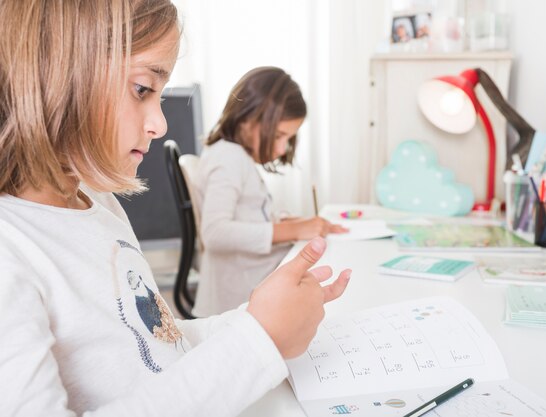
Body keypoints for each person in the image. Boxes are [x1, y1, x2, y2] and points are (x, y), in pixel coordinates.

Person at [0, 1, 351, 416]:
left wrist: (256, 321)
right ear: (52, 74)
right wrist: (259, 338)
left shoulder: (100, 205)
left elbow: (154, 344)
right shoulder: (12, 253)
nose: (161, 123)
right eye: (142, 89)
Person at [191, 66, 348, 316]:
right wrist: (293, 230)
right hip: (236, 301)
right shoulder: (228, 158)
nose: (284, 148)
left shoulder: (235, 157)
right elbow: (215, 232)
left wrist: (292, 223)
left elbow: (249, 214)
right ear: (247, 119)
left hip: (248, 285)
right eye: (279, 136)